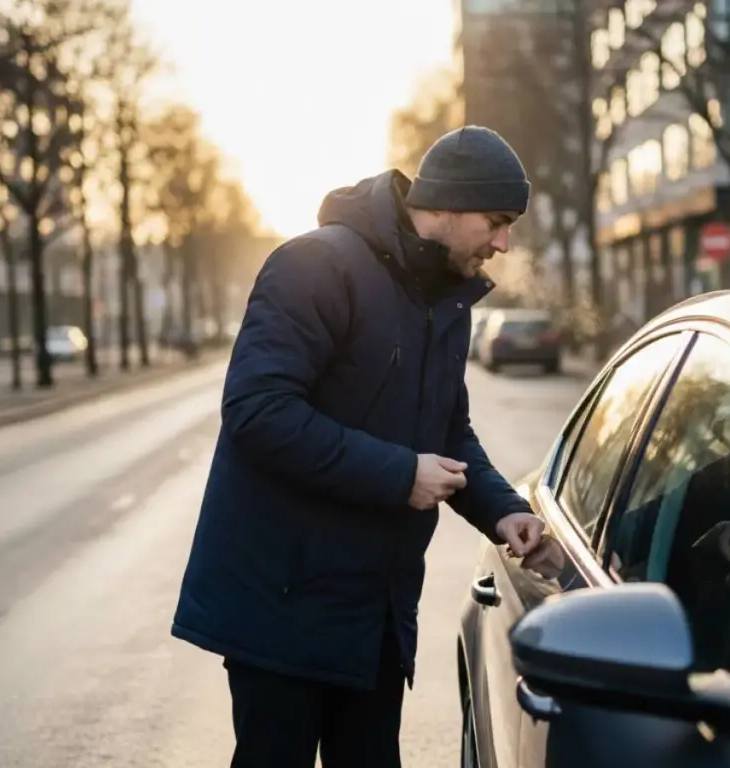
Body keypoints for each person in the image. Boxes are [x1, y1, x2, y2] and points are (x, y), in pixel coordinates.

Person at [171, 125, 546, 768]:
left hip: (373, 614)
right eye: (498, 220)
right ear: (451, 204)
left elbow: (448, 430)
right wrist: (401, 474)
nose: (504, 243)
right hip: (281, 608)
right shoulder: (315, 265)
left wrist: (501, 507)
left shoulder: (443, 299)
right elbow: (257, 412)